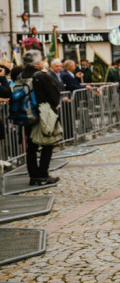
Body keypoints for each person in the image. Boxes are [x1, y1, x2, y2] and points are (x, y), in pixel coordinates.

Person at [20, 50, 62, 186]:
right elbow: (54, 95)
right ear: (37, 63)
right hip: (43, 113)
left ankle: (33, 176)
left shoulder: (21, 75)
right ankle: (43, 174)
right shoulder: (41, 76)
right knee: (48, 143)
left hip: (26, 113)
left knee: (31, 146)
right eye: (41, 59)